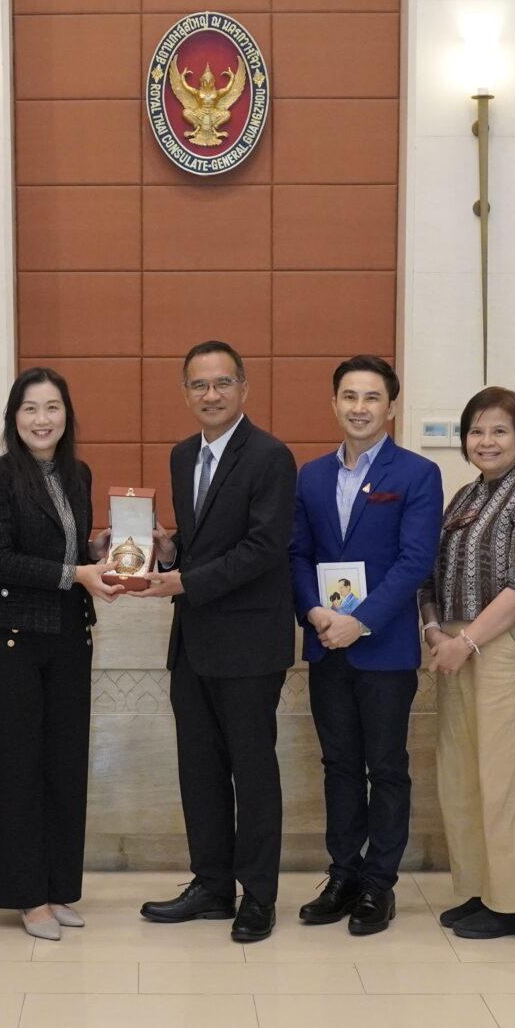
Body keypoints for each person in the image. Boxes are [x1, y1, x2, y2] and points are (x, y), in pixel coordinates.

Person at [137, 343, 298, 944]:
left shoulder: (271, 456)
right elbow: (204, 542)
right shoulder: (183, 456)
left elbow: (264, 548)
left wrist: (186, 580)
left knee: (252, 771)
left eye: (223, 383)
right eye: (199, 385)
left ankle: (258, 895)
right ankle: (211, 885)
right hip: (194, 640)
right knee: (199, 769)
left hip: (250, 644)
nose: (211, 395)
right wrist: (170, 550)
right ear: (185, 393)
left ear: (244, 389)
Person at [287, 355, 442, 937]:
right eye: (349, 396)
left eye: (372, 397)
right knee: (339, 765)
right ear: (334, 403)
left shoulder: (417, 474)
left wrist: (363, 621)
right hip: (327, 643)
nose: (359, 407)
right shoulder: (310, 476)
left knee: (387, 766)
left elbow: (414, 562)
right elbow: (298, 554)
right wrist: (315, 612)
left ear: (391, 407)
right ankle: (344, 874)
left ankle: (380, 883)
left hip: (385, 650)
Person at [0, 368, 119, 940]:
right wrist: (77, 573)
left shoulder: (77, 473)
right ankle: (26, 896)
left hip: (68, 635)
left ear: (67, 415)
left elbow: (68, 549)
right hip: (12, 640)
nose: (42, 419)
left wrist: (98, 551)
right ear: (14, 418)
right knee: (18, 768)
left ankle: (58, 889)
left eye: (52, 407)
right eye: (30, 408)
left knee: (65, 766)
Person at [417, 384, 515, 941]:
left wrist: (467, 641)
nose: (487, 440)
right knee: (462, 774)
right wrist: (433, 630)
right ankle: (478, 890)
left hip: (502, 645)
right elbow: (429, 575)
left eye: (500, 430)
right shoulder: (462, 497)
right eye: (477, 430)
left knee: (507, 775)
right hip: (452, 648)